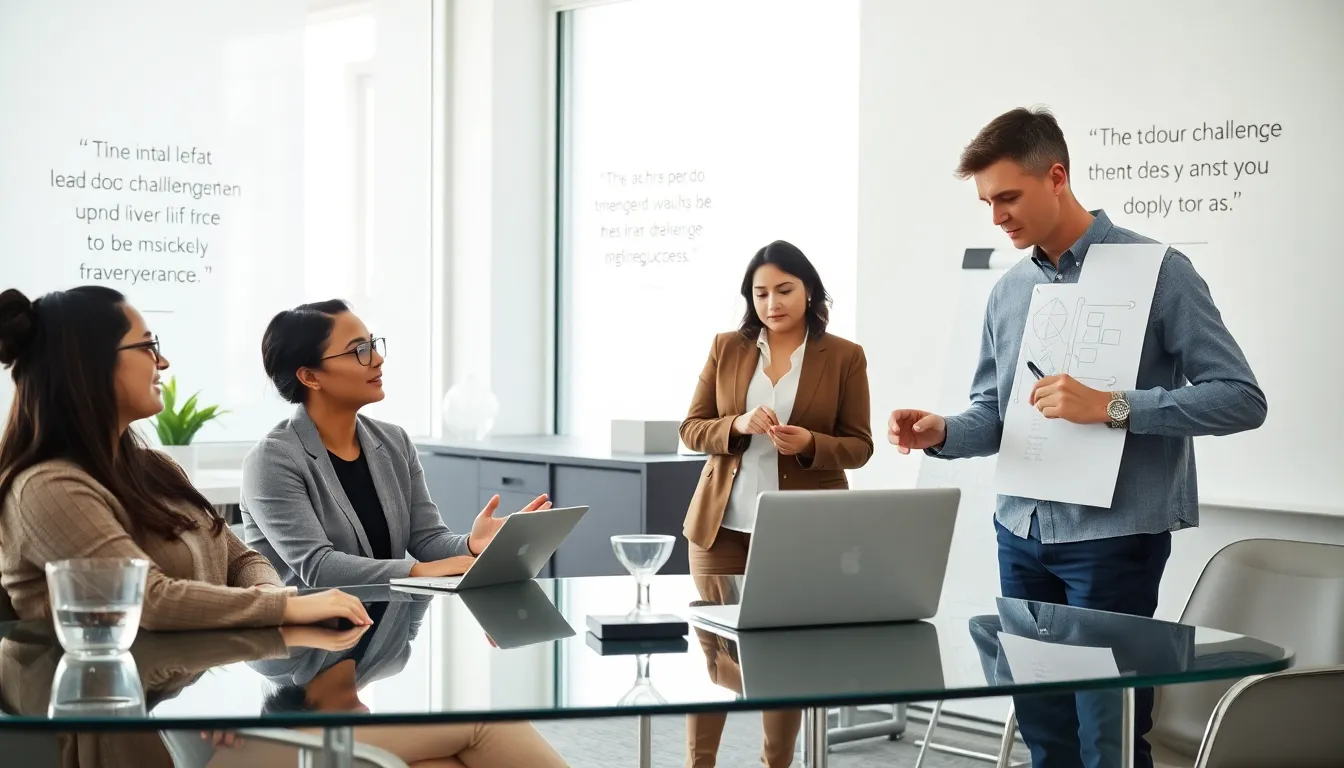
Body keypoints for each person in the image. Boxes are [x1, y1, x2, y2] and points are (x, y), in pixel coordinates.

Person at [886, 107, 1266, 768]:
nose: (997, 216)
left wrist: (1114, 405)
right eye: (986, 203)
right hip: (1021, 535)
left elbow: (1240, 398)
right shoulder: (1008, 291)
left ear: (1056, 177)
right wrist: (943, 430)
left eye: (1008, 197)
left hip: (1112, 543)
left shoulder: (1159, 271)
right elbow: (995, 413)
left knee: (1109, 739)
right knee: (1046, 735)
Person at [0, 286, 370, 630]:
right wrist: (285, 607)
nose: (162, 362)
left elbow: (243, 560)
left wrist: (269, 593)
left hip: (167, 690)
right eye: (146, 346)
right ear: (89, 363)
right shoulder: (45, 488)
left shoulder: (157, 469)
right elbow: (146, 600)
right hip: (85, 696)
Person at [680, 240, 874, 767]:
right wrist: (736, 426)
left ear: (808, 289)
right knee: (715, 655)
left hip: (801, 534)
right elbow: (691, 428)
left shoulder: (845, 357)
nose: (772, 303)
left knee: (784, 650)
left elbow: (859, 446)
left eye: (784, 289)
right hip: (722, 528)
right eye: (760, 293)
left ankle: (777, 762)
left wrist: (811, 444)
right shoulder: (727, 347)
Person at [241, 300, 551, 588]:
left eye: (373, 345)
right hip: (309, 641)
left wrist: (472, 544)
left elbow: (427, 540)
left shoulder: (393, 442)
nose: (377, 359)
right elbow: (319, 567)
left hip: (386, 633)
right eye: (359, 350)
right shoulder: (272, 460)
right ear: (310, 377)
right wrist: (416, 571)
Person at [243, 591, 569, 768]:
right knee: (485, 725)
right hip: (291, 744)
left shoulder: (385, 658)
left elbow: (419, 589)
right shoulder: (287, 658)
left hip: (306, 736)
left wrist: (474, 587)